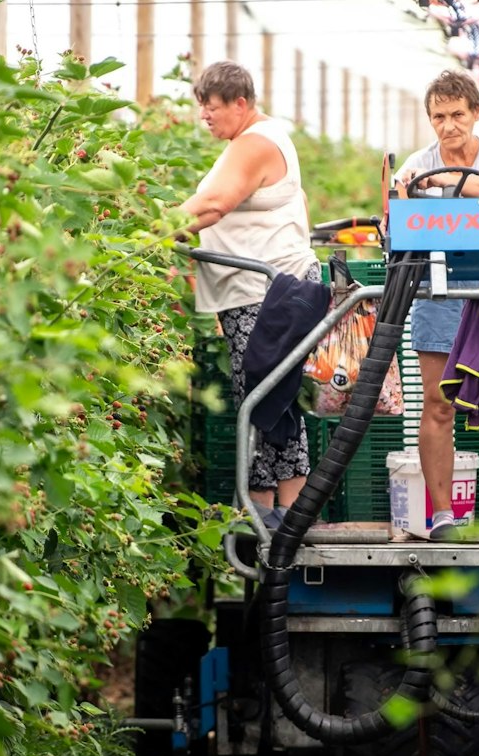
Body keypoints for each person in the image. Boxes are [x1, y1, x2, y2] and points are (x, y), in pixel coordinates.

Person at [389, 70, 479, 541]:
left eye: (455, 115)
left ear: (475, 113)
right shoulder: (418, 162)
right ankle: (443, 514)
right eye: (438, 117)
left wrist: (445, 180)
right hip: (438, 285)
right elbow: (399, 219)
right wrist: (404, 187)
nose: (448, 126)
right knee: (437, 401)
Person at [180, 61, 321, 530]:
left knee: (264, 397)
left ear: (240, 103)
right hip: (262, 290)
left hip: (266, 291)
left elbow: (214, 204)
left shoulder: (255, 143)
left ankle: (276, 516)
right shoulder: (262, 139)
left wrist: (147, 226)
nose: (205, 116)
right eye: (201, 106)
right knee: (265, 395)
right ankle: (270, 511)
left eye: (212, 107)